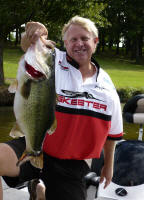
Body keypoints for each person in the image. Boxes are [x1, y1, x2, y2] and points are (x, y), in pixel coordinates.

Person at [0, 16, 123, 200]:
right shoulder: (53, 59)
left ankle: (41, 191)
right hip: (36, 142)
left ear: (95, 41)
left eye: (84, 38)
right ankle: (39, 184)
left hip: (72, 164)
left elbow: (113, 133)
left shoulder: (107, 87)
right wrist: (35, 31)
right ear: (65, 43)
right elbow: (29, 44)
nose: (79, 43)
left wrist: (108, 165)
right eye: (73, 39)